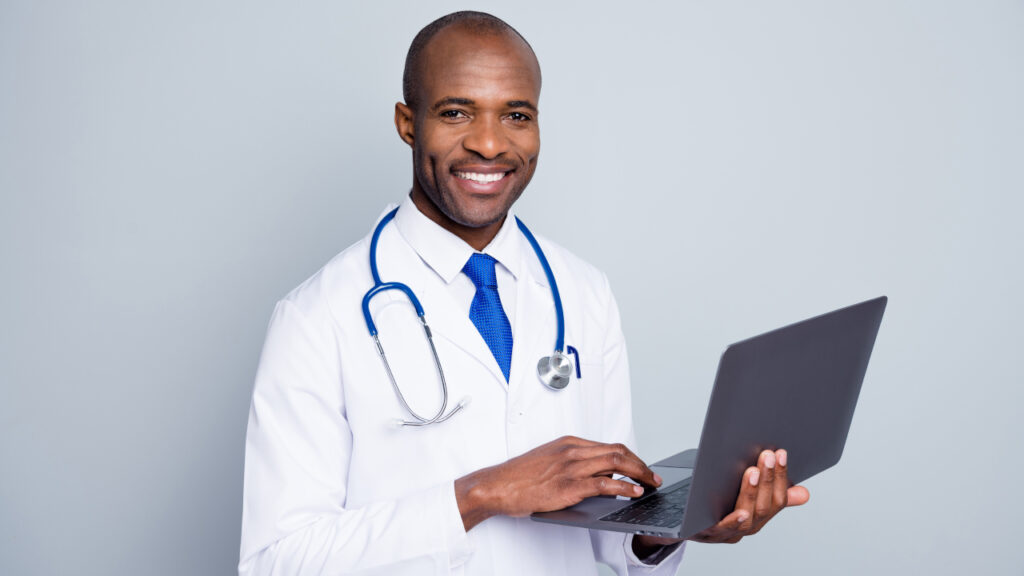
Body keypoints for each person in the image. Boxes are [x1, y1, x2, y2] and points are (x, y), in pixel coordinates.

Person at [239, 11, 809, 576]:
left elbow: (608, 536)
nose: (489, 144)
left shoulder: (583, 292)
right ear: (407, 123)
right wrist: (482, 494)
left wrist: (662, 533)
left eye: (516, 115)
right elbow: (276, 562)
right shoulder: (316, 317)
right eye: (456, 112)